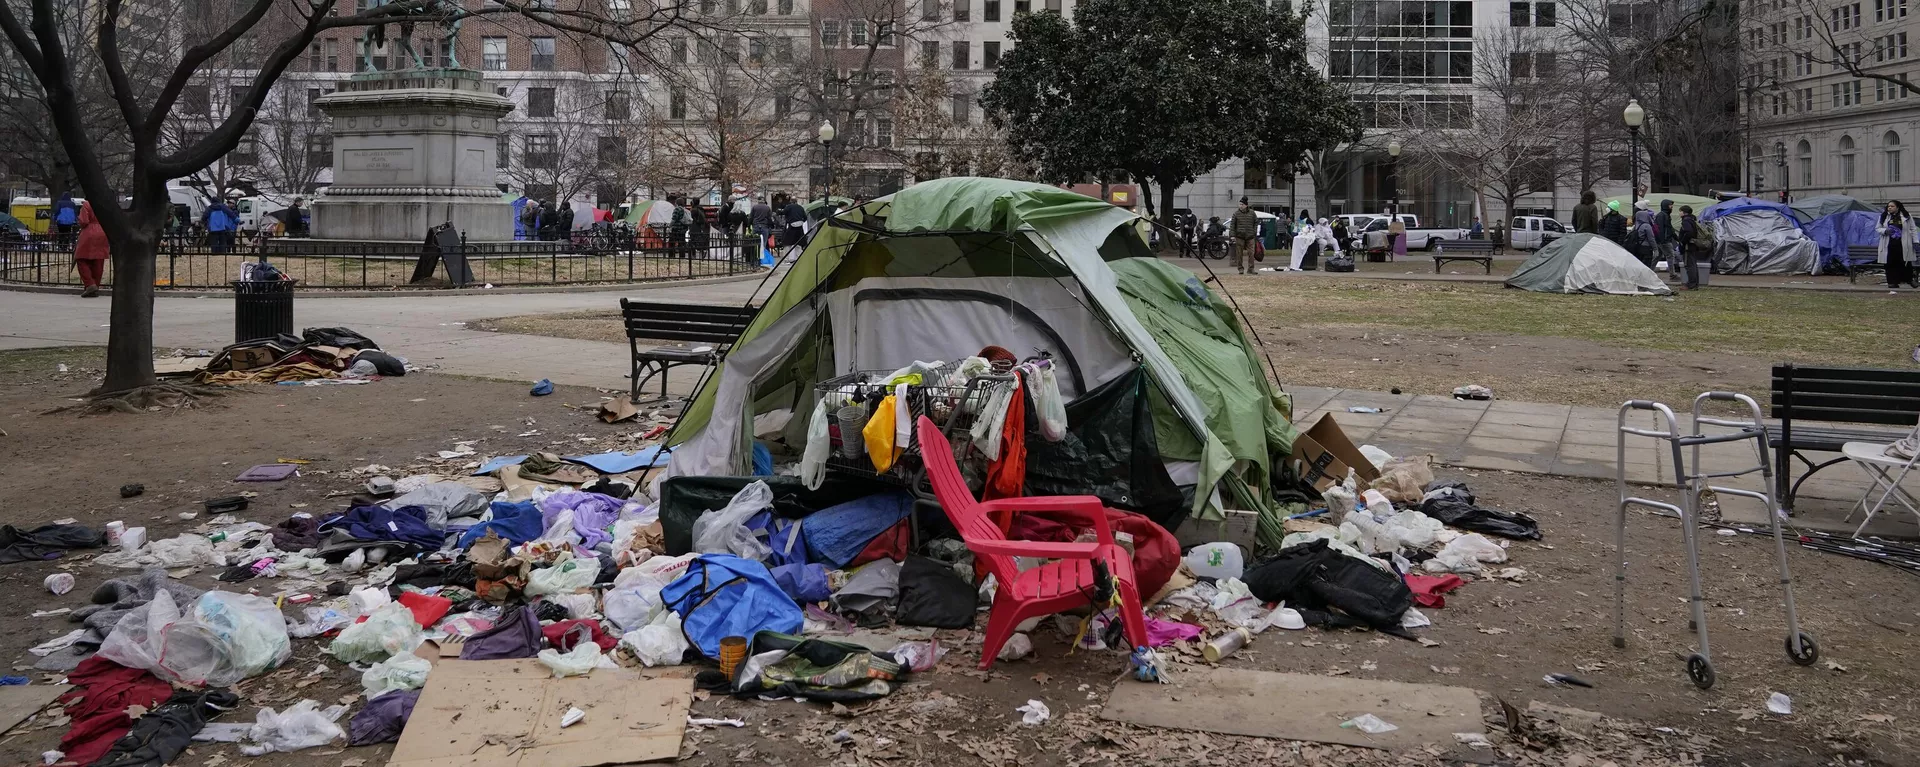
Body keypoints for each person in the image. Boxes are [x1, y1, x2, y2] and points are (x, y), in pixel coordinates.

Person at [1878, 200, 1916, 288]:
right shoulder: (1884, 216)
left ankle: (1909, 280)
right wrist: (1885, 231)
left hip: (1902, 243)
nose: (1890, 208)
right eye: (1888, 206)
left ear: (1898, 207)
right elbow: (1878, 228)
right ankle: (1892, 282)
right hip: (1889, 243)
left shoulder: (1906, 216)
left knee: (1905, 262)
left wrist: (1916, 241)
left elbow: (1913, 229)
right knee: (1890, 263)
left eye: (1892, 206)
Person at [73, 201, 107, 298]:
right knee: (98, 261)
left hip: (89, 232)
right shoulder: (105, 204)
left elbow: (84, 221)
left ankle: (90, 285)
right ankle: (95, 286)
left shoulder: (87, 204)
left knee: (81, 258)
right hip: (102, 232)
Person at [1230, 198, 1259, 274]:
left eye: (1242, 204)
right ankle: (1240, 268)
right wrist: (1232, 235)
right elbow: (1232, 225)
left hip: (1250, 236)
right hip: (1240, 236)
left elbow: (1256, 222)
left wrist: (1254, 231)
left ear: (1246, 205)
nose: (1241, 206)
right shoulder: (1236, 214)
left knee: (1251, 253)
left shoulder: (1252, 213)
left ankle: (1251, 269)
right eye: (1240, 204)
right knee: (1239, 253)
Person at [1677, 204, 1701, 290]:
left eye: (1680, 211)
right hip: (1693, 246)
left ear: (1684, 213)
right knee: (1693, 265)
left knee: (1689, 265)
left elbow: (1688, 232)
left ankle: (1691, 284)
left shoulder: (1686, 221)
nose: (1679, 213)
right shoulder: (1692, 220)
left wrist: (1682, 241)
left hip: (1688, 246)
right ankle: (1694, 283)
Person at [1631, 199, 1657, 266]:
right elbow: (1651, 239)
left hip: (1637, 247)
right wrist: (1655, 249)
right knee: (1647, 265)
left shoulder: (1636, 225)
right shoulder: (1647, 226)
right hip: (1646, 248)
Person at [1654, 199, 1676, 274]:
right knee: (1670, 255)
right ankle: (1672, 274)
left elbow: (1669, 228)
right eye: (1670, 205)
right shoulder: (1663, 215)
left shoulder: (1664, 215)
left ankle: (1650, 270)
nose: (1672, 207)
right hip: (1665, 240)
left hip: (1661, 240)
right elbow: (1661, 228)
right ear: (1666, 206)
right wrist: (1663, 240)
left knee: (1658, 256)